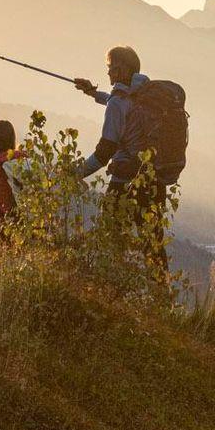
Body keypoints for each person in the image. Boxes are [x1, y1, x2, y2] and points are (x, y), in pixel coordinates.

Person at [70, 46, 187, 275]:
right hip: (153, 180)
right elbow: (123, 104)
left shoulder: (118, 103)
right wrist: (93, 93)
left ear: (122, 70)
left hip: (124, 183)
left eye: (111, 68)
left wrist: (73, 173)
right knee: (153, 245)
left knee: (108, 241)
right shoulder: (145, 94)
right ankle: (161, 291)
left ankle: (109, 288)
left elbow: (104, 153)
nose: (108, 73)